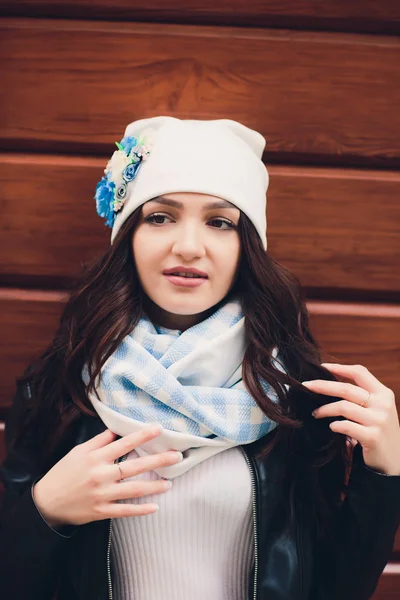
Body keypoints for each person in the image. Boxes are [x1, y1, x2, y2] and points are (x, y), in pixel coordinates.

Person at [0, 116, 399, 600]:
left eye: (219, 221)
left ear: (246, 245)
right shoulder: (60, 388)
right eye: (160, 217)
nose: (188, 247)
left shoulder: (291, 397)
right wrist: (47, 511)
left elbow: (339, 587)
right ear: (128, 235)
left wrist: (385, 473)